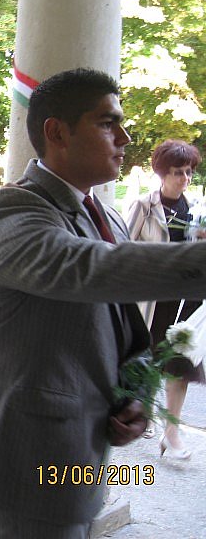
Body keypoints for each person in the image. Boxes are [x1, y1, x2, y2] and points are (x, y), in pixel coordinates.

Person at [0, 68, 206, 538]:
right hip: (31, 458)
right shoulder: (11, 207)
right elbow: (82, 267)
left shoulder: (106, 214)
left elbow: (124, 330)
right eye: (107, 123)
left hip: (86, 450)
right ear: (57, 132)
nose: (125, 137)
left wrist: (137, 395)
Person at [124, 139, 205, 458]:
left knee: (179, 365)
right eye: (177, 172)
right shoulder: (144, 206)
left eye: (189, 172)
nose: (185, 178)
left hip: (187, 301)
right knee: (144, 361)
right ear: (162, 173)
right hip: (152, 301)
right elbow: (122, 250)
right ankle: (138, 414)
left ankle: (172, 433)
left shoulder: (196, 208)